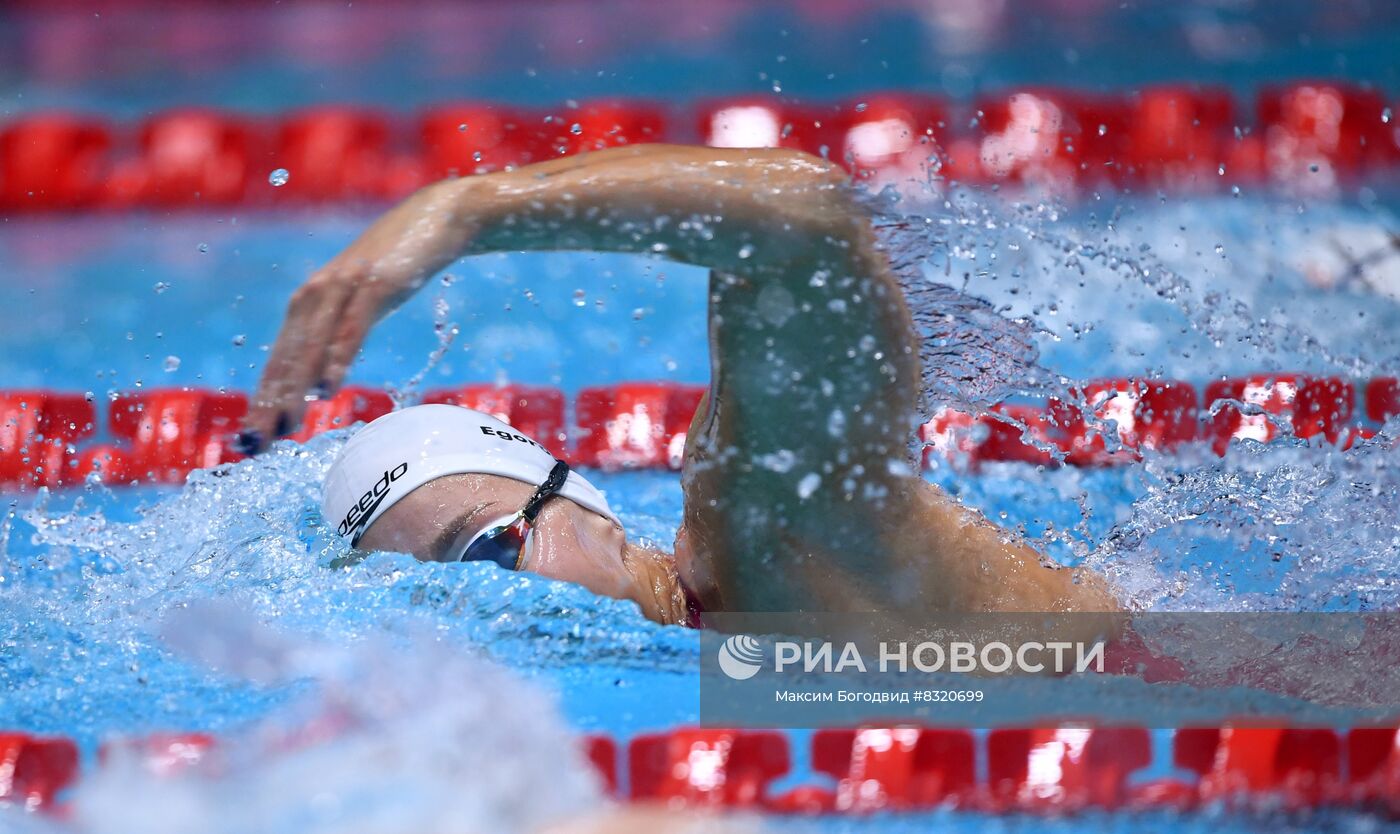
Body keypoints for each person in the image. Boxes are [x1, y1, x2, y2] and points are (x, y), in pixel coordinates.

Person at [240, 144, 1120, 625]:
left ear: (590, 509)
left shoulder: (758, 537)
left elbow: (806, 224)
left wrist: (472, 210)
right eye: (431, 597)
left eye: (492, 550)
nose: (486, 600)